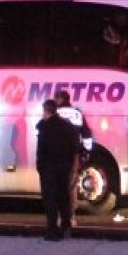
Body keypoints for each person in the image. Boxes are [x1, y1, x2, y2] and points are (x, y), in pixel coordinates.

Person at [36, 99, 81, 241]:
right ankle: (66, 227)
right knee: (63, 198)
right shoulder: (67, 126)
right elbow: (75, 145)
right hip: (64, 168)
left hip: (49, 169)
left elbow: (41, 150)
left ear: (46, 111)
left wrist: (40, 167)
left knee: (50, 201)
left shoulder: (44, 127)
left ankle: (52, 231)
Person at [54, 89, 94, 224]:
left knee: (59, 185)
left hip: (58, 154)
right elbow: (87, 134)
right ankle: (71, 217)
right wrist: (86, 152)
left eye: (56, 98)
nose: (55, 100)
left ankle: (60, 217)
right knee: (71, 185)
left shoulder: (55, 114)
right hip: (73, 154)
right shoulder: (77, 113)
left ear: (60, 99)